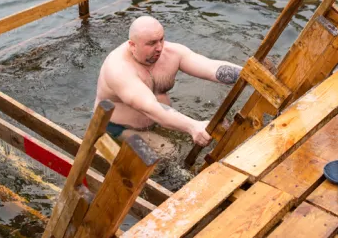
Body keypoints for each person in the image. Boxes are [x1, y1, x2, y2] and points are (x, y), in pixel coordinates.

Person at [94, 16, 263, 158]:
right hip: (118, 127)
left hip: (157, 121)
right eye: (151, 43)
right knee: (171, 152)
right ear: (132, 45)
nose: (159, 47)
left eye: (161, 39)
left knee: (220, 134)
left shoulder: (170, 53)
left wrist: (250, 75)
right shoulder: (118, 69)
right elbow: (150, 107)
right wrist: (192, 126)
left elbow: (210, 67)